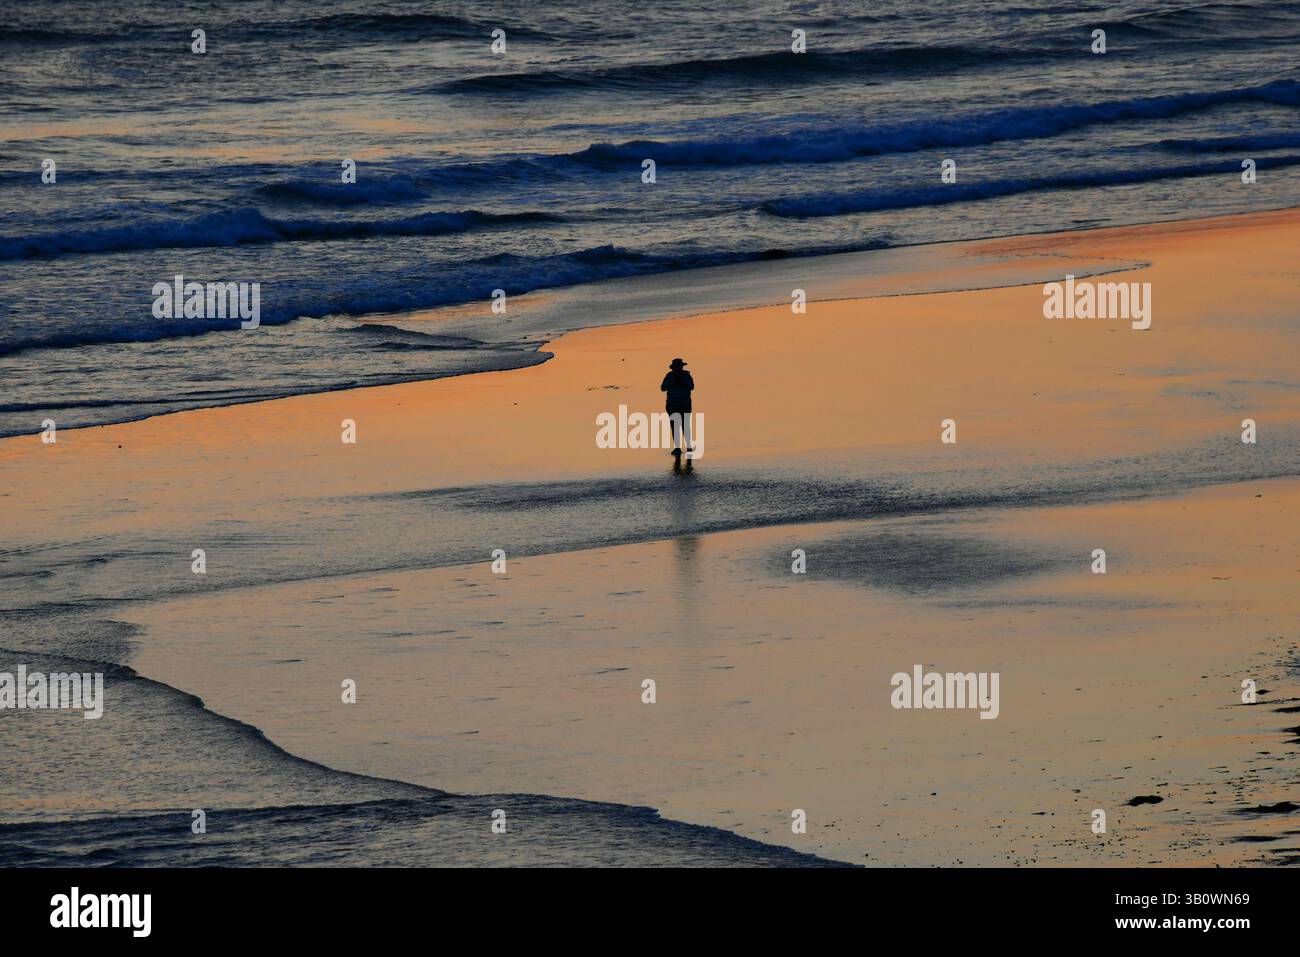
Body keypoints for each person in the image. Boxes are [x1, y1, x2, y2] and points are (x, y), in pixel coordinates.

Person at [660, 357, 694, 456]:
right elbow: (662, 388)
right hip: (677, 405)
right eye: (678, 367)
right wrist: (674, 382)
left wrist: (679, 382)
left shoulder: (685, 376)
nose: (679, 369)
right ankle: (681, 447)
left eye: (680, 367)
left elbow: (692, 387)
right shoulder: (672, 376)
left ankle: (686, 447)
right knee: (680, 425)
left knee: (683, 425)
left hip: (680, 404)